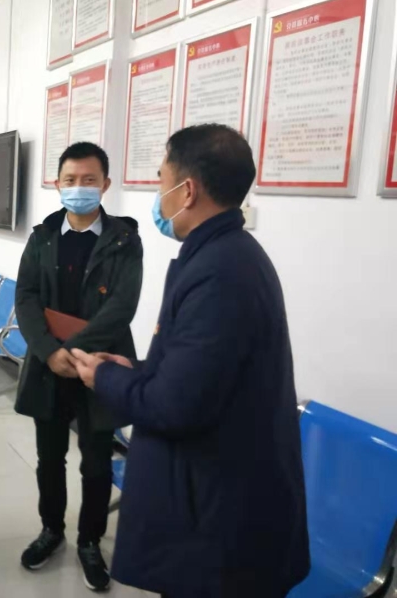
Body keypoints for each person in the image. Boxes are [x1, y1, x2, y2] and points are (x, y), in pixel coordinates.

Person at [72, 124, 310, 598]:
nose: (157, 194)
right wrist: (136, 370)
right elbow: (199, 371)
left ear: (187, 190)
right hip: (217, 501)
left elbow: (175, 406)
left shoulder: (221, 273)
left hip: (221, 526)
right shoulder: (224, 255)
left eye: (162, 180)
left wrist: (105, 377)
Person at [14, 142, 143, 592]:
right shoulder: (43, 236)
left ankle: (90, 541)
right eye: (70, 180)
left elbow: (122, 307)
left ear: (105, 184)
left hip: (100, 366)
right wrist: (50, 351)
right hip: (49, 365)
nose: (79, 187)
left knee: (96, 462)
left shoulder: (125, 240)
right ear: (57, 184)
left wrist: (74, 351)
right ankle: (51, 530)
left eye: (89, 180)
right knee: (49, 458)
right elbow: (26, 296)